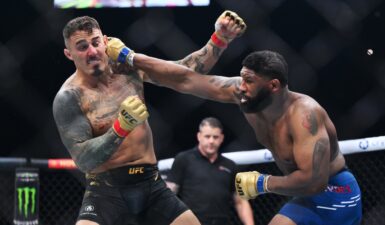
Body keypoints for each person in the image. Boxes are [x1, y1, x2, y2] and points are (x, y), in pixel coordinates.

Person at [105, 43, 363, 224]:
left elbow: (314, 181)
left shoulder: (305, 115)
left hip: (336, 192)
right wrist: (131, 57)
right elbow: (186, 80)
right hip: (304, 192)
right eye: (241, 77)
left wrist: (263, 183)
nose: (241, 86)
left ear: (273, 86)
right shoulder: (242, 95)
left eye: (249, 80)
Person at [53, 12, 246, 225]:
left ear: (105, 41)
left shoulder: (128, 68)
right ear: (69, 54)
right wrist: (120, 129)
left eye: (95, 42)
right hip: (106, 191)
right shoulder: (70, 97)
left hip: (151, 184)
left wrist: (219, 39)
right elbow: (83, 160)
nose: (92, 51)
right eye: (82, 46)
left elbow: (185, 73)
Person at [165, 117, 254, 225]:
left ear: (221, 138)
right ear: (199, 136)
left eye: (215, 137)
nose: (211, 141)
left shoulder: (230, 165)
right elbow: (169, 195)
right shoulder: (184, 159)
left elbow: (240, 201)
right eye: (207, 136)